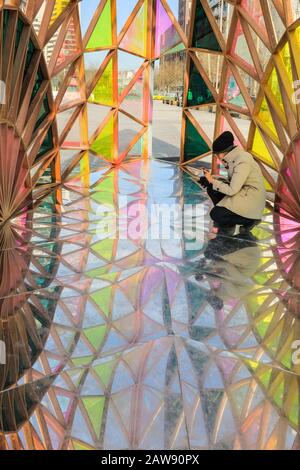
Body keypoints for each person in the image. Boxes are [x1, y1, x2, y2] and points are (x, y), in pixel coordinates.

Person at [199, 131, 266, 235]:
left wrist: (212, 180)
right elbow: (232, 182)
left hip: (251, 199)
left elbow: (232, 190)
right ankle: (228, 220)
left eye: (217, 154)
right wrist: (210, 180)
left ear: (225, 151)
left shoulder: (242, 160)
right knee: (211, 187)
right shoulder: (234, 158)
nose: (217, 157)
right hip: (243, 194)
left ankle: (251, 220)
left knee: (216, 215)